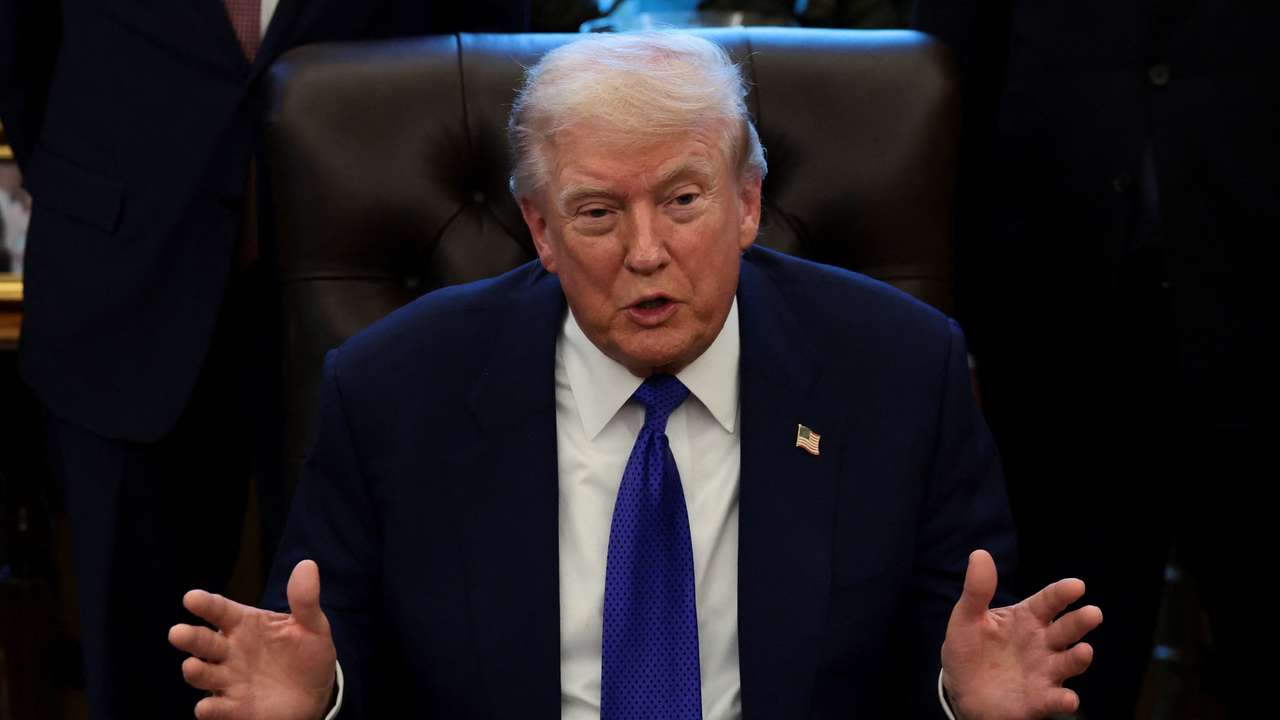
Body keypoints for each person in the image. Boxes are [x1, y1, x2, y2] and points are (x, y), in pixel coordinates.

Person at [169, 33, 1101, 719]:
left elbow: (945, 652)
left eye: (684, 200)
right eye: (597, 212)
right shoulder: (393, 390)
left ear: (747, 203)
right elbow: (349, 652)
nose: (646, 252)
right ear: (539, 231)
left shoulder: (898, 370)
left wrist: (961, 699)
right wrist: (319, 697)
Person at [0, 1, 530, 718]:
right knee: (133, 658)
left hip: (369, 287)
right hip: (119, 279)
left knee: (365, 634)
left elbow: (493, 54)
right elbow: (23, 56)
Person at [912, 2, 1278, 714]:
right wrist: (948, 339)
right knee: (1071, 673)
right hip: (1056, 346)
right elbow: (940, 100)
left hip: (1258, 332)